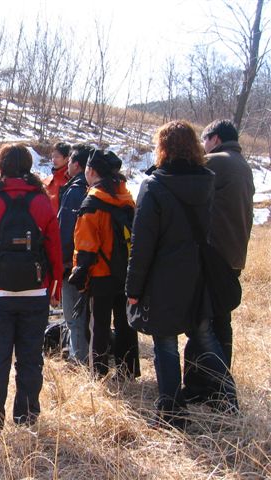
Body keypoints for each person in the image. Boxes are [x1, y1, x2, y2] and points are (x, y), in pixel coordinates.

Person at [126, 121, 238, 429]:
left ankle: (172, 412)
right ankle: (229, 398)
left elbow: (142, 244)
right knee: (205, 336)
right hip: (197, 275)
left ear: (163, 148)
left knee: (165, 344)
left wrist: (133, 288)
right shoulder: (207, 180)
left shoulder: (154, 186)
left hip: (162, 280)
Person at [0, 143, 63, 436]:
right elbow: (55, 250)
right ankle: (26, 420)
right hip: (36, 292)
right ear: (29, 167)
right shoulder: (43, 200)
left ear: (0, 166)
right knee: (30, 360)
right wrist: (55, 288)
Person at [68, 149, 140, 379]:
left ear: (90, 171)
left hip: (100, 273)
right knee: (125, 323)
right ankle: (128, 371)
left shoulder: (92, 203)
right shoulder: (127, 198)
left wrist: (80, 277)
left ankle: (98, 374)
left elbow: (86, 247)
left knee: (98, 326)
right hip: (126, 271)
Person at [198, 119, 254, 367]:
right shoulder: (242, 164)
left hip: (215, 254)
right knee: (222, 319)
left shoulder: (216, 161)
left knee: (205, 323)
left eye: (204, 140)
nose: (203, 146)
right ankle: (221, 378)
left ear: (215, 138)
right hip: (235, 254)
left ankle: (211, 379)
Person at [57, 144, 91, 363]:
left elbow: (66, 230)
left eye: (69, 160)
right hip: (91, 261)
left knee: (73, 315)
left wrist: (61, 261)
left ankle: (78, 359)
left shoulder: (75, 190)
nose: (67, 164)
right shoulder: (93, 187)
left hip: (73, 263)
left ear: (77, 165)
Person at [43, 142, 71, 214]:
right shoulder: (48, 179)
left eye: (57, 157)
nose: (54, 160)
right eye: (53, 156)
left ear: (67, 158)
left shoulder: (70, 181)